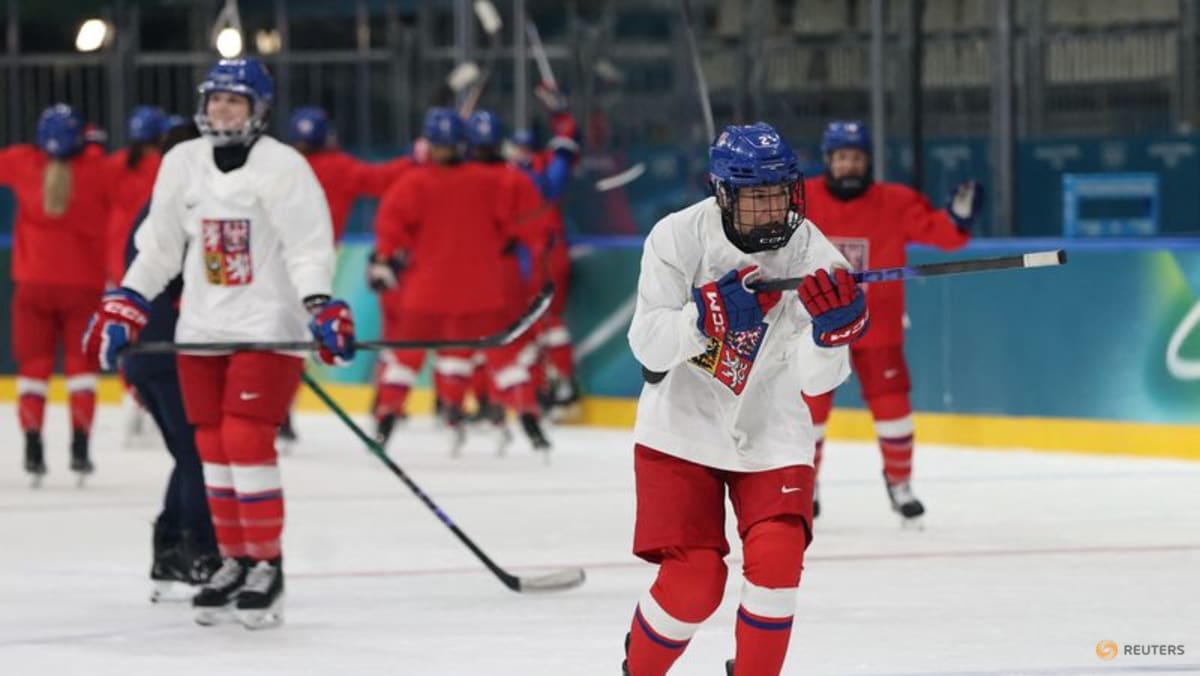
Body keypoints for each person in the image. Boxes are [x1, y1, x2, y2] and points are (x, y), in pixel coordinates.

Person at [83, 58, 356, 629]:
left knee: (244, 437)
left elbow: (307, 246)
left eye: (234, 100)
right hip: (201, 329)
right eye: (215, 99)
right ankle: (231, 560)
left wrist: (318, 304)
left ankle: (266, 564)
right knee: (210, 444)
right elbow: (158, 246)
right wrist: (128, 299)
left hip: (265, 326)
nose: (222, 110)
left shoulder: (283, 166)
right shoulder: (182, 162)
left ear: (258, 108)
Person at [622, 122, 867, 676]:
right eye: (756, 197)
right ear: (724, 194)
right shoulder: (676, 238)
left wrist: (834, 335)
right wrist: (703, 320)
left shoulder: (815, 254)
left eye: (779, 194)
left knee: (779, 561)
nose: (772, 209)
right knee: (695, 583)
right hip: (679, 430)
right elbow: (648, 346)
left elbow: (817, 382)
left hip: (771, 431)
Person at [801, 120, 981, 523]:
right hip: (814, 331)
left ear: (868, 162)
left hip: (877, 329)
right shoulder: (803, 198)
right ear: (830, 160)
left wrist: (959, 218)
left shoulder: (895, 201)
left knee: (893, 410)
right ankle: (804, 486)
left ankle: (899, 484)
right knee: (805, 414)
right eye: (842, 157)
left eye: (857, 157)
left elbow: (945, 236)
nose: (850, 165)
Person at [370, 107, 551, 454]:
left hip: (427, 293)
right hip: (479, 291)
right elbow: (531, 219)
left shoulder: (414, 182)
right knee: (503, 357)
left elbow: (390, 229)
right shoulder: (494, 180)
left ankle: (386, 422)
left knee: (406, 359)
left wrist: (383, 260)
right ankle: (530, 423)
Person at [114, 118, 222, 601]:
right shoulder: (180, 212)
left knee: (191, 451)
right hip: (171, 351)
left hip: (151, 352)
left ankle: (172, 546)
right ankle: (194, 548)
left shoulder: (159, 207)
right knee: (199, 451)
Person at [284, 105, 416, 449]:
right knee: (300, 340)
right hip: (315, 266)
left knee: (275, 339)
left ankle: (274, 408)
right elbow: (382, 181)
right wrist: (415, 158)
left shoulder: (280, 167)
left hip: (273, 261)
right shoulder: (339, 167)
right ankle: (281, 410)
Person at [0, 103, 112, 485]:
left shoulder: (24, 164)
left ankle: (33, 447)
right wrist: (93, 145)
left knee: (33, 369)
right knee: (82, 369)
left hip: (32, 285)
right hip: (84, 287)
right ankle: (80, 448)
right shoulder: (97, 170)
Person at [509, 93, 582, 418]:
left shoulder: (536, 171)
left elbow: (566, 148)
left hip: (546, 256)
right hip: (525, 258)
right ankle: (545, 388)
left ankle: (562, 386)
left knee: (547, 323)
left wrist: (561, 113)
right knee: (532, 326)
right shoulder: (511, 173)